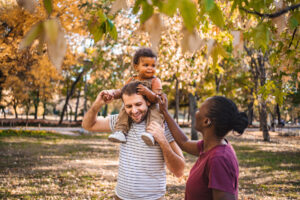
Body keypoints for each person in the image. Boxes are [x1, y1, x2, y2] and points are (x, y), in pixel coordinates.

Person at [82, 81, 185, 200]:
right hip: (121, 197)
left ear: (148, 101)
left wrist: (162, 140)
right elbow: (88, 125)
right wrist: (97, 104)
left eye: (138, 104)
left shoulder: (162, 124)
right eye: (129, 106)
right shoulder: (121, 121)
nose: (134, 111)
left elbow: (179, 171)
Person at [158, 94, 248, 200]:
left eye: (199, 110)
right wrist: (165, 112)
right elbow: (184, 142)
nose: (196, 112)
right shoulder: (210, 146)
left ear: (206, 121)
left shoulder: (219, 159)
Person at [105, 48, 163, 146]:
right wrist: (113, 94)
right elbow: (122, 91)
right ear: (136, 67)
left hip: (151, 104)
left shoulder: (155, 81)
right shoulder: (131, 79)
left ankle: (152, 134)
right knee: (125, 108)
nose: (150, 68)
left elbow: (157, 99)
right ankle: (120, 131)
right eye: (146, 65)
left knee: (156, 111)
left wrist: (148, 92)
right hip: (136, 105)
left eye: (153, 65)